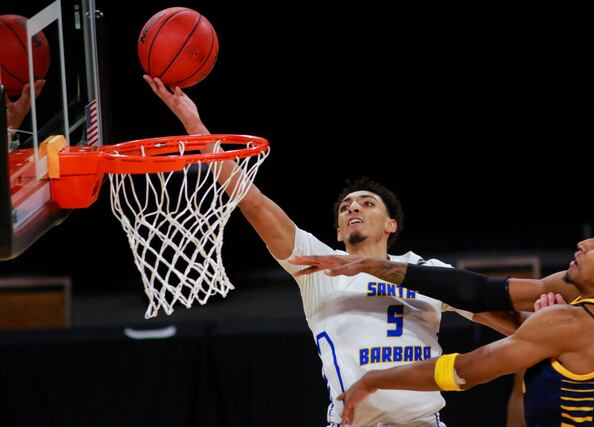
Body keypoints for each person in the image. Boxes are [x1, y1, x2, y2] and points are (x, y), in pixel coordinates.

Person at [142, 75, 570, 426]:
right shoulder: (316, 263)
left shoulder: (424, 270)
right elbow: (251, 201)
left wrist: (550, 324)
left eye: (367, 203)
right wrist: (197, 129)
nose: (354, 209)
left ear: (390, 225)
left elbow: (507, 323)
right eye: (347, 207)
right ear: (337, 228)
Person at [289, 233, 594, 426]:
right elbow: (479, 292)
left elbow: (464, 370)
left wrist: (373, 379)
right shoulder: (566, 313)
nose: (583, 243)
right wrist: (372, 266)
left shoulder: (569, 323)